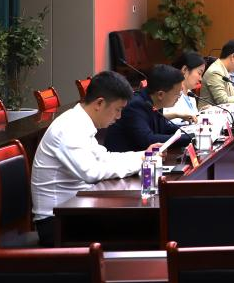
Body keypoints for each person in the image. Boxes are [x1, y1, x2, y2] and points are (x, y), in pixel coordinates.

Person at [31, 71, 148, 246]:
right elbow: (91, 172)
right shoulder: (69, 128)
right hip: (56, 223)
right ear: (99, 103)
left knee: (140, 223)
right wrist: (138, 163)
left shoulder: (80, 122)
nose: (119, 117)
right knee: (141, 226)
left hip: (75, 211)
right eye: (118, 109)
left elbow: (103, 158)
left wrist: (142, 156)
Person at [103, 64, 185, 152]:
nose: (179, 97)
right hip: (123, 158)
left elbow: (164, 128)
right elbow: (148, 140)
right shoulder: (135, 105)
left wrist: (190, 132)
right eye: (177, 94)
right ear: (161, 94)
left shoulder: (154, 101)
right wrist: (188, 138)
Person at [198, 41, 234, 107]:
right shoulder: (215, 72)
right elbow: (223, 101)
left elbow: (233, 93)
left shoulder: (223, 69)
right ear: (233, 56)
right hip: (208, 112)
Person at [163, 51, 206, 122]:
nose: (200, 79)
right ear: (185, 69)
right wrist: (175, 115)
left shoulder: (190, 94)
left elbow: (191, 119)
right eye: (199, 73)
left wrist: (201, 113)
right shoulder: (169, 92)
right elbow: (162, 119)